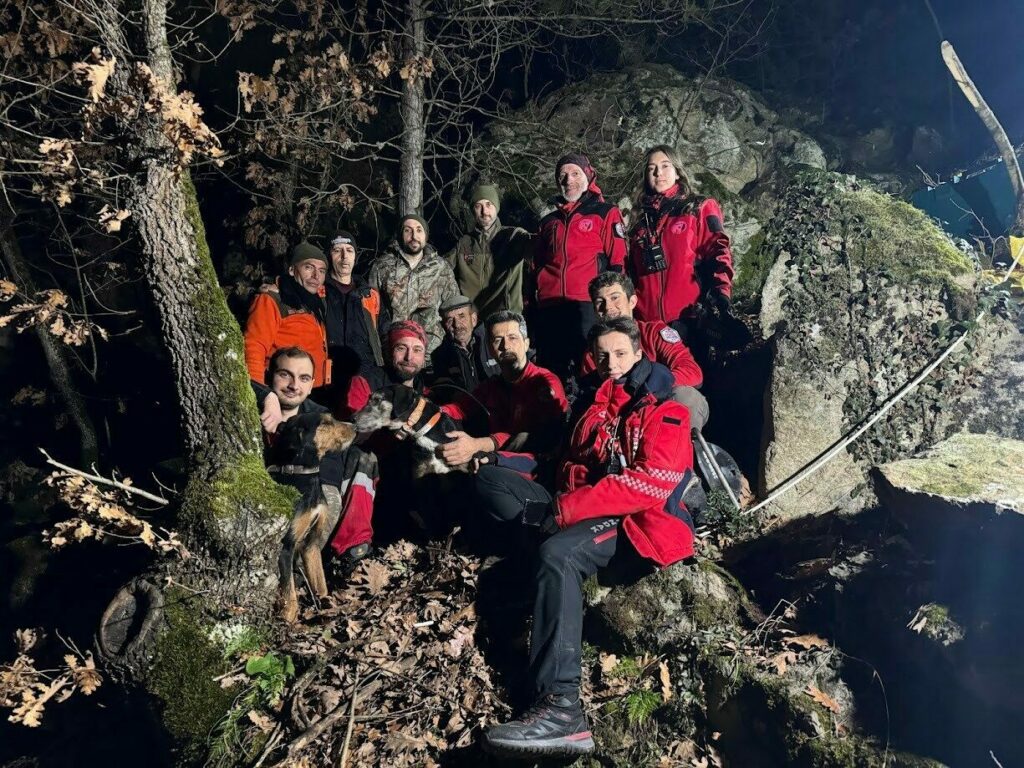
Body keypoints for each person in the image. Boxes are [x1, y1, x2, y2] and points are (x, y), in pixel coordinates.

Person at [481, 318, 698, 759]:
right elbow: (561, 462)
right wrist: (499, 460)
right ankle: (538, 566)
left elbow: (649, 485)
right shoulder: (594, 404)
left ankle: (562, 709)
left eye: (620, 353)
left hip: (638, 521)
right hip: (582, 506)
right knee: (491, 482)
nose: (611, 363)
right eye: (602, 356)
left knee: (559, 555)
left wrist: (564, 512)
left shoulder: (666, 408)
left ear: (638, 353)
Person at [254, 347, 375, 569]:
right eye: (285, 375)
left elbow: (329, 471)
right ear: (269, 376)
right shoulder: (252, 407)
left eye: (303, 378)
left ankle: (327, 559)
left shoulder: (320, 418)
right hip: (262, 499)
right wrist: (266, 396)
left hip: (308, 497)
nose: (294, 385)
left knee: (358, 464)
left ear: (311, 385)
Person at [528, 153, 627, 380]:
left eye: (575, 173)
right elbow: (535, 266)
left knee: (589, 371)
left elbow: (618, 261)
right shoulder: (548, 222)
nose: (568, 180)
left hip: (587, 306)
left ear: (588, 176)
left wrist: (613, 305)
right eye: (562, 175)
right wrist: (532, 306)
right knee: (551, 375)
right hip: (549, 308)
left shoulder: (605, 212)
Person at [439, 310, 568, 471]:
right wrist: (429, 412)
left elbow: (531, 436)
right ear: (490, 349)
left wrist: (478, 444)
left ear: (526, 343)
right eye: (497, 340)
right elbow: (460, 408)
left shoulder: (544, 382)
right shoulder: (492, 386)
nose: (505, 346)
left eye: (512, 338)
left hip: (536, 466)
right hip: (498, 459)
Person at [580, 272, 709, 430]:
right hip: (619, 414)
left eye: (615, 298)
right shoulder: (594, 351)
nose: (608, 307)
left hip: (658, 407)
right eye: (600, 302)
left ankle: (682, 444)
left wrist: (650, 386)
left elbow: (692, 372)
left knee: (687, 397)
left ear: (632, 301)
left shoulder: (655, 333)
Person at [628, 145, 734, 332]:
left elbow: (718, 249)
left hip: (689, 318)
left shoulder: (698, 207)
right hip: (646, 324)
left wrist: (722, 292)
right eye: (651, 168)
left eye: (665, 166)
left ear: (677, 172)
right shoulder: (640, 220)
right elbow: (632, 272)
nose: (658, 173)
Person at [368, 214, 459, 355]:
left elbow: (453, 308)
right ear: (400, 235)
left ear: (425, 235)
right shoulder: (382, 266)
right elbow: (371, 310)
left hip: (432, 351)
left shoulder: (440, 267)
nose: (414, 236)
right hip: (395, 349)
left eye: (418, 230)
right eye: (407, 230)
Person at [244, 242, 330, 388]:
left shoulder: (315, 302)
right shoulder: (272, 300)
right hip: (284, 390)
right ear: (291, 269)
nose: (316, 276)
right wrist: (260, 392)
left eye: (321, 271)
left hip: (315, 390)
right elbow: (254, 346)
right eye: (308, 267)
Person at [446, 183, 531, 318]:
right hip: (472, 320)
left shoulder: (513, 236)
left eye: (488, 204)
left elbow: (537, 245)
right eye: (478, 206)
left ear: (496, 207)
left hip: (505, 319)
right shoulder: (464, 243)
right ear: (473, 210)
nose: (484, 212)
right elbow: (441, 267)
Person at [324, 231, 388, 405]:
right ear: (329, 255)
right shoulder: (319, 292)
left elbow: (385, 335)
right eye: (337, 250)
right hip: (327, 381)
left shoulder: (370, 295)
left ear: (355, 257)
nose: (344, 256)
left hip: (367, 380)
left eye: (349, 250)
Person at [429, 295, 499, 403]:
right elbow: (444, 394)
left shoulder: (494, 340)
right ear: (444, 326)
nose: (457, 325)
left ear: (473, 319)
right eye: (450, 320)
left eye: (462, 316)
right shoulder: (440, 356)